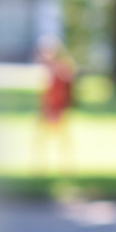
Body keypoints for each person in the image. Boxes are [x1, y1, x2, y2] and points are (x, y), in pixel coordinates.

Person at [33, 35, 77, 173]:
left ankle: (66, 166)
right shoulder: (44, 68)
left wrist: (61, 107)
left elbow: (66, 90)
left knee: (62, 138)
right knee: (42, 138)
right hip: (46, 108)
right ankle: (40, 166)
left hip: (58, 108)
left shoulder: (62, 68)